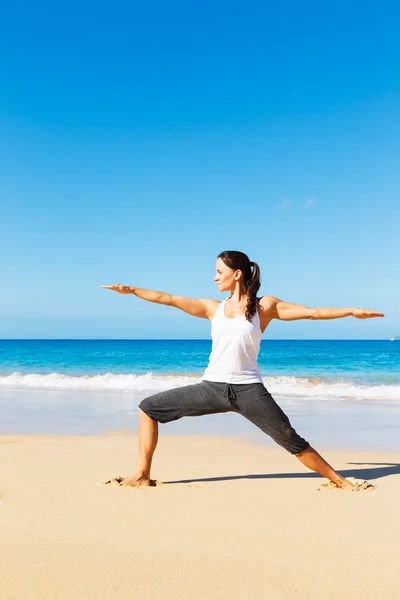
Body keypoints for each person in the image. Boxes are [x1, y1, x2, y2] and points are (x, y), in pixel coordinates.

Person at [102, 250, 384, 490]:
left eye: (218, 271)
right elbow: (168, 299)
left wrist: (351, 310)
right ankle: (142, 475)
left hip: (249, 391)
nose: (214, 277)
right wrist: (132, 291)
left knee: (290, 439)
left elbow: (312, 312)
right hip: (211, 388)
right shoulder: (212, 308)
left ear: (236, 274)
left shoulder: (265, 307)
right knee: (149, 407)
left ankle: (340, 481)